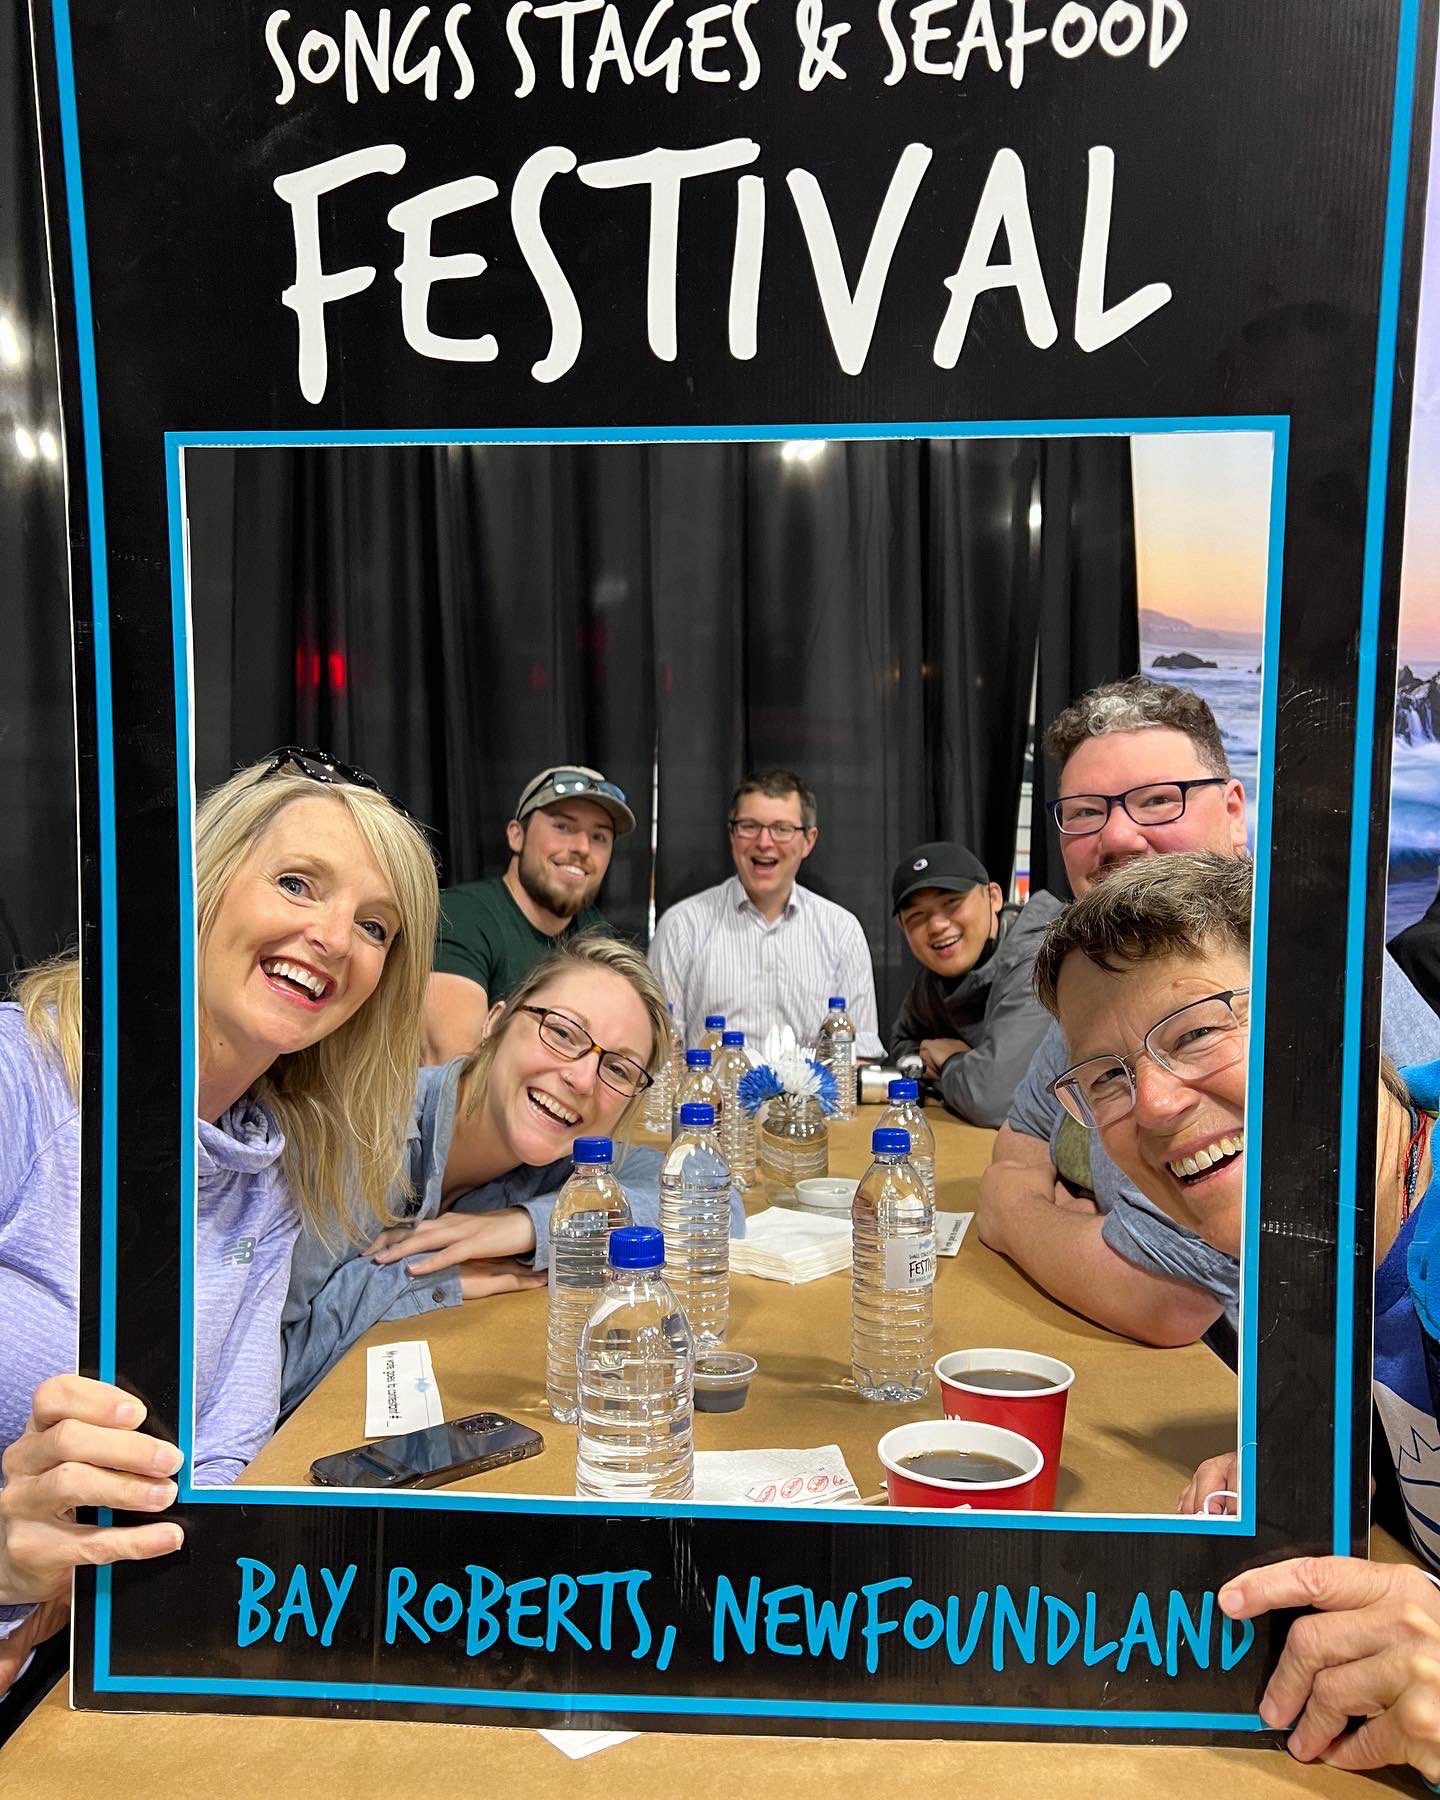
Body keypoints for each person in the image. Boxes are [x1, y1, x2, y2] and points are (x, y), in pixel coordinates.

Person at [0, 747, 439, 1691]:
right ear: (200, 883)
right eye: (296, 883)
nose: (334, 937)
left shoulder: (270, 1168)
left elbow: (229, 1451)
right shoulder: (18, 1080)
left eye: (375, 925)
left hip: (86, 1662)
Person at [1033, 850, 1440, 1780]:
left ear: (1327, 1008)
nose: (1156, 1105)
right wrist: (1330, 1462)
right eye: (1105, 1077)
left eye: (1195, 1031)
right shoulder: (1319, 1241)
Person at [977, 675, 1440, 1350]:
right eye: (1084, 812)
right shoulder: (1102, 985)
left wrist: (1014, 1211)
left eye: (1158, 800)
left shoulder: (1294, 956)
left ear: (1233, 811)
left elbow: (1163, 1299)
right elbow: (1018, 1145)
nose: (1121, 837)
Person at [283, 934, 745, 1413]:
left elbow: (716, 1206)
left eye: (619, 1069)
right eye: (563, 1033)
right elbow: (258, 1381)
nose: (583, 1080)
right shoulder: (360, 1137)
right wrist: (408, 1280)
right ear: (495, 1023)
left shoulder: (565, 1166)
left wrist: (532, 1223)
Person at [648, 769, 882, 1054]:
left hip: (813, 1099)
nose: (764, 842)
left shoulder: (842, 930)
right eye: (749, 826)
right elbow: (658, 1050)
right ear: (732, 835)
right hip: (711, 1098)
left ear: (809, 840)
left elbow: (861, 1053)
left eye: (782, 829)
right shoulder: (681, 926)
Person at [424, 765, 635, 1064]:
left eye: (600, 837)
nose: (583, 848)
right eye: (563, 827)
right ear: (516, 835)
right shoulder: (461, 916)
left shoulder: (601, 938)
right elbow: (455, 1076)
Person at [888, 841, 1062, 1128]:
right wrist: (954, 1065)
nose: (936, 926)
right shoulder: (933, 979)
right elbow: (904, 1040)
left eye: (951, 903)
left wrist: (951, 1061)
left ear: (993, 897)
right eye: (917, 917)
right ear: (903, 929)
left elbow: (993, 1098)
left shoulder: (1039, 955)